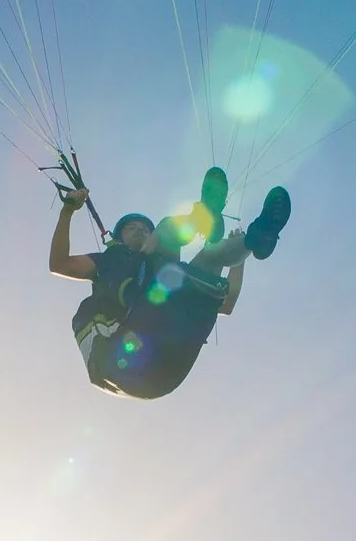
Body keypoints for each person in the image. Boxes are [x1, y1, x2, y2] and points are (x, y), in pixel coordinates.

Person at [50, 165, 292, 400]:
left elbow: (227, 304)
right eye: (131, 228)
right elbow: (59, 264)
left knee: (211, 256)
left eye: (145, 228)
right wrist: (68, 210)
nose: (140, 230)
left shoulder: (160, 271)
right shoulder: (109, 261)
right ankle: (206, 219)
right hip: (122, 358)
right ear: (119, 238)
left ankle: (261, 236)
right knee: (167, 232)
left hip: (167, 363)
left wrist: (240, 252)